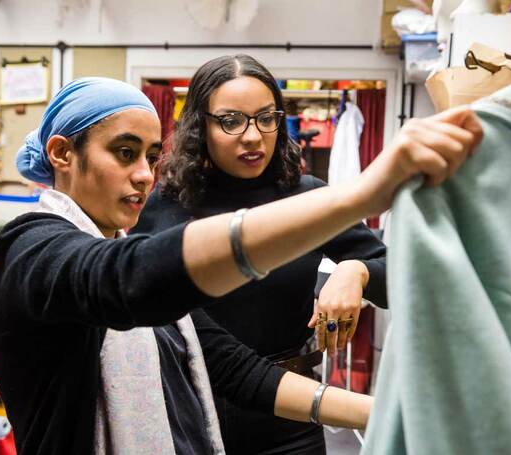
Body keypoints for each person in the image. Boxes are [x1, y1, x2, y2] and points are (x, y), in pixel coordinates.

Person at [0, 77, 482, 454]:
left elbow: (233, 368)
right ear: (63, 154)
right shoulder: (30, 249)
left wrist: (386, 414)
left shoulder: (120, 248)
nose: (142, 176)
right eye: (124, 152)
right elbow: (127, 280)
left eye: (152, 157)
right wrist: (360, 196)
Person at [131, 54, 388, 454]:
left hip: (291, 421)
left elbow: (400, 276)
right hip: (187, 413)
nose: (252, 136)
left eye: (266, 118)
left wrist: (357, 270)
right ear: (201, 126)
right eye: (231, 121)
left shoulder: (307, 197)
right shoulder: (167, 204)